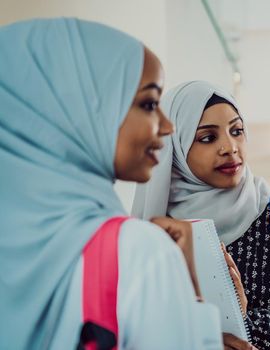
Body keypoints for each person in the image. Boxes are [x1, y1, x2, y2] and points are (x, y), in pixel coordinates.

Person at [0, 19, 231, 349]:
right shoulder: (138, 252)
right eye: (149, 104)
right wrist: (191, 297)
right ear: (78, 111)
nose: (167, 127)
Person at [132, 81, 270, 349]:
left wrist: (248, 326)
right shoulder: (155, 235)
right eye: (207, 137)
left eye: (237, 131)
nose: (230, 147)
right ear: (174, 149)